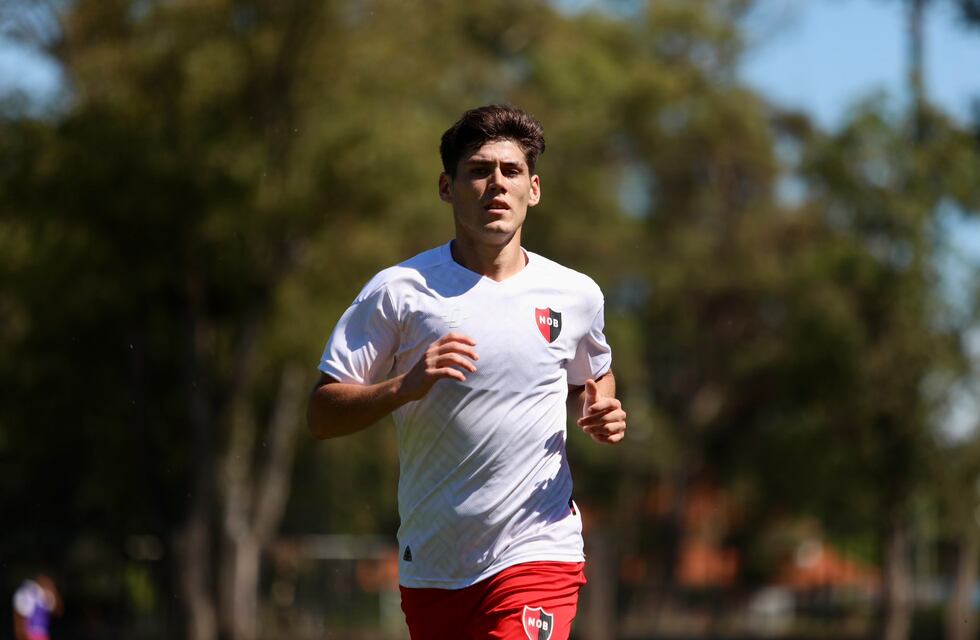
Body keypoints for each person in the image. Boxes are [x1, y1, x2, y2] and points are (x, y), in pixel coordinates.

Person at [308, 104, 626, 640]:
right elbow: (321, 414)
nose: (496, 185)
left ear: (535, 188)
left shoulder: (576, 294)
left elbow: (592, 378)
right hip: (434, 563)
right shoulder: (399, 291)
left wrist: (599, 410)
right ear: (446, 187)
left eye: (511, 171)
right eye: (478, 171)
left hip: (538, 549)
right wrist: (402, 388)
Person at [13, 574, 61, 640]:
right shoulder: (28, 593)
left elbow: (58, 611)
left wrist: (53, 591)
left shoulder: (46, 596)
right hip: (31, 634)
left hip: (42, 635)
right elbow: (20, 616)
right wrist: (22, 634)